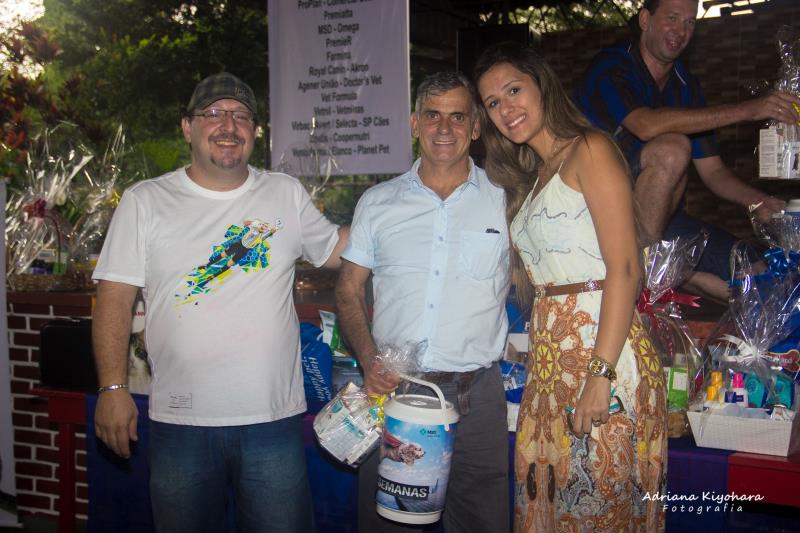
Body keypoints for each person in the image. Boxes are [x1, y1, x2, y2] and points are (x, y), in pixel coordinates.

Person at [91, 72, 348, 533]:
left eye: (241, 116)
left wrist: (394, 214)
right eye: (213, 114)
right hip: (181, 421)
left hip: (272, 420)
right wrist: (112, 389)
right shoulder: (145, 201)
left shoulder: (284, 194)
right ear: (187, 127)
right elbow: (113, 299)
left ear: (255, 131)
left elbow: (338, 251)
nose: (229, 125)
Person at [474, 42, 667, 532]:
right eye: (493, 102)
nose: (505, 108)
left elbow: (625, 268)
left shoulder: (590, 149)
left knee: (598, 513)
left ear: (542, 85)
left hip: (604, 359)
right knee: (549, 513)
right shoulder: (533, 176)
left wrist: (599, 375)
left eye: (513, 90)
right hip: (550, 367)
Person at [335, 71, 511, 533]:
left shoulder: (504, 202)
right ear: (414, 124)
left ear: (476, 126)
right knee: (389, 524)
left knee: (482, 525)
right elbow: (348, 289)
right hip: (395, 392)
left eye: (458, 116)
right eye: (432, 115)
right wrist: (368, 358)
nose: (444, 128)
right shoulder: (378, 202)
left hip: (477, 400)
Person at [575, 0, 800, 302]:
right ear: (645, 20)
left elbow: (713, 171)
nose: (680, 30)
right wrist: (751, 109)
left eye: (689, 22)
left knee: (754, 272)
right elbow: (644, 125)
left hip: (659, 219)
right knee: (672, 148)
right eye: (671, 18)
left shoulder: (686, 85)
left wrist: (760, 202)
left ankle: (659, 272)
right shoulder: (612, 66)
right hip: (596, 216)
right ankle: (638, 272)